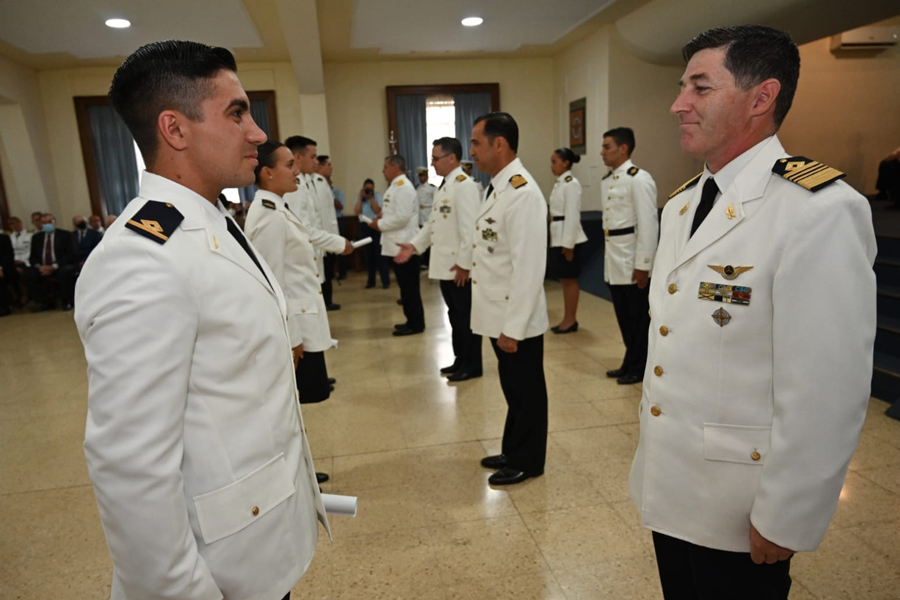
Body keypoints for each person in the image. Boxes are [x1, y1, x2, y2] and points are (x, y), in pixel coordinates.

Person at [74, 40, 329, 600]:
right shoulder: (141, 256)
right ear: (175, 129)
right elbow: (131, 469)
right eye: (236, 112)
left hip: (261, 544)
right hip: (218, 576)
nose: (258, 133)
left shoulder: (210, 220)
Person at [629, 25, 877, 600]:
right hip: (670, 485)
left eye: (700, 88)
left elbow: (825, 388)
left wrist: (787, 513)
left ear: (761, 98)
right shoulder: (684, 202)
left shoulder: (818, 211)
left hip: (740, 505)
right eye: (681, 87)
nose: (678, 104)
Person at [245, 141, 353, 485]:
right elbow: (272, 285)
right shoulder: (268, 215)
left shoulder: (278, 207)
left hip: (300, 324)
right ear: (267, 172)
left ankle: (299, 468)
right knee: (288, 405)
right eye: (289, 165)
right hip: (292, 332)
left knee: (299, 403)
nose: (296, 171)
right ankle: (292, 472)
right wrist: (291, 339)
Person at [469, 112, 549, 486]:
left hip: (515, 319)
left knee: (527, 390)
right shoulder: (498, 186)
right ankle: (513, 447)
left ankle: (528, 460)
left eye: (475, 143)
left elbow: (529, 269)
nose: (472, 152)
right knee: (513, 388)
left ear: (498, 144)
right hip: (499, 313)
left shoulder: (523, 193)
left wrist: (513, 329)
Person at [395, 137, 483, 381]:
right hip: (445, 266)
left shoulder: (464, 185)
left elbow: (470, 229)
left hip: (459, 268)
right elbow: (434, 224)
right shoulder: (446, 185)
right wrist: (414, 245)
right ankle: (460, 359)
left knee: (465, 318)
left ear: (451, 158)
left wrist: (466, 264)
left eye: (435, 158)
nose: (432, 164)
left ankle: (472, 364)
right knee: (455, 317)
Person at [599, 127, 659, 384]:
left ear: (623, 148)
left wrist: (644, 264)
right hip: (613, 257)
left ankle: (641, 366)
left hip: (632, 258)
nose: (602, 152)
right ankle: (630, 361)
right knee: (624, 316)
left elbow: (648, 224)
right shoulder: (609, 180)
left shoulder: (638, 179)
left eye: (607, 147)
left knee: (637, 318)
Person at [371, 154, 424, 336]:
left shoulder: (403, 188)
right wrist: (382, 218)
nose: (383, 171)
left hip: (405, 245)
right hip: (397, 245)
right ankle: (411, 319)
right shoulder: (396, 187)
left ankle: (416, 324)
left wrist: (380, 224)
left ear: (395, 167)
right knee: (405, 288)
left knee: (410, 289)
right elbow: (394, 213)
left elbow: (402, 218)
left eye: (385, 167)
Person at [547, 147, 588, 334]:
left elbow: (572, 215)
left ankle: (570, 320)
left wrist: (568, 244)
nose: (551, 166)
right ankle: (567, 318)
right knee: (564, 279)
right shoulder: (560, 183)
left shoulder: (571, 183)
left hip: (568, 239)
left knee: (570, 280)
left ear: (566, 163)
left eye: (555, 161)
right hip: (558, 236)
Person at [25, 213, 77, 311]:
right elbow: (33, 257)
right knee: (27, 275)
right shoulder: (36, 238)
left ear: (54, 222)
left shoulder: (65, 235)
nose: (47, 224)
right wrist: (39, 266)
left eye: (49, 222)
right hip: (43, 267)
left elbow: (71, 255)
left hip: (61, 265)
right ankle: (45, 302)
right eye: (44, 222)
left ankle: (66, 301)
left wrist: (54, 266)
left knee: (66, 272)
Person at [314, 155, 342, 310]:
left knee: (329, 271)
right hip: (324, 237)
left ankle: (328, 300)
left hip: (329, 235)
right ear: (320, 166)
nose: (331, 168)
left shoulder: (323, 182)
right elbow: (322, 215)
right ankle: (327, 301)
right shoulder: (318, 182)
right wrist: (327, 239)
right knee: (325, 272)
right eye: (328, 165)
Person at [354, 178, 391, 289]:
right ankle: (371, 281)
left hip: (376, 225)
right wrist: (361, 198)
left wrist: (371, 198)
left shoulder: (378, 196)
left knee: (380, 255)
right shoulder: (359, 196)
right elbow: (356, 211)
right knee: (368, 255)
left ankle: (385, 281)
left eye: (371, 189)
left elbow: (377, 210)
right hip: (364, 226)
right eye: (367, 189)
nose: (369, 191)